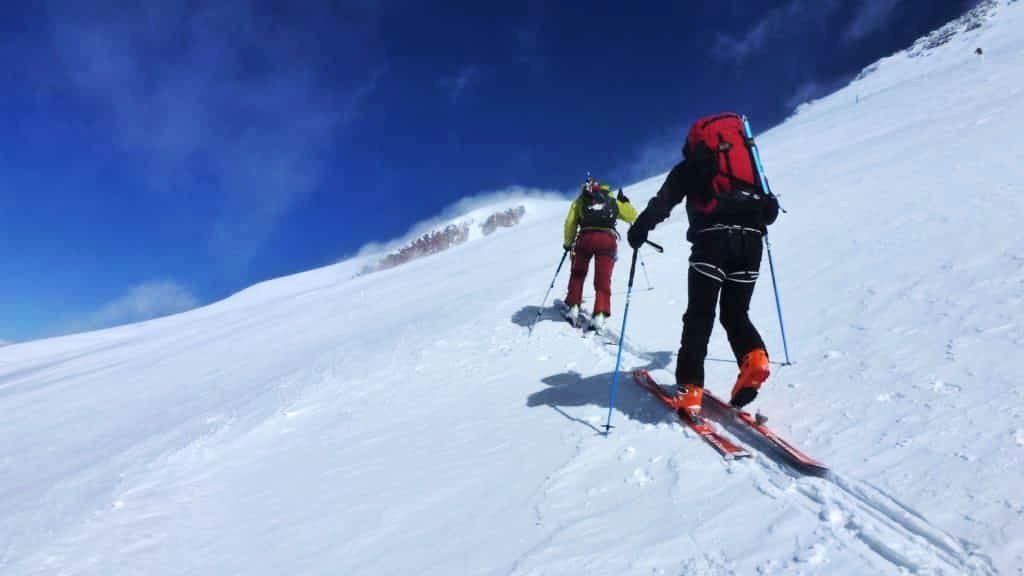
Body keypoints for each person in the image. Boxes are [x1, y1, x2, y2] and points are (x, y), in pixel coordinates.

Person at [627, 113, 780, 419]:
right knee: (736, 313)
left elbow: (663, 203)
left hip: (712, 242)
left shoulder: (690, 167)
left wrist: (639, 229)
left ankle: (690, 388)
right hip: (751, 244)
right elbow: (770, 211)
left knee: (700, 314)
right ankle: (755, 358)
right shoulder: (749, 165)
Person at [563, 175, 637, 334]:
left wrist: (568, 244)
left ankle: (573, 307)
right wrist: (625, 202)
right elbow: (632, 216)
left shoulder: (581, 200)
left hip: (585, 238)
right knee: (603, 278)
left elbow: (570, 223)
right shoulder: (611, 199)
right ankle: (600, 314)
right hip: (607, 239)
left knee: (578, 274)